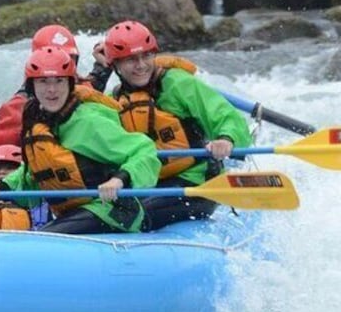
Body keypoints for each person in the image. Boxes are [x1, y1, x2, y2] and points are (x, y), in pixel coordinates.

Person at [0, 46, 160, 234]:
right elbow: (36, 172)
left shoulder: (88, 122)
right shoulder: (37, 123)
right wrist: (1, 189)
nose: (52, 90)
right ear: (32, 86)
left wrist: (119, 179)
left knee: (45, 238)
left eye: (59, 81)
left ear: (70, 84)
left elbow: (144, 150)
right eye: (43, 82)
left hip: (113, 210)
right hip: (74, 212)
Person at [0, 24, 109, 224]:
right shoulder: (18, 110)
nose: (59, 67)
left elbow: (88, 90)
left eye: (68, 61)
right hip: (38, 193)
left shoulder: (77, 91)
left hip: (81, 188)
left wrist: (103, 68)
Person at [102, 20, 252, 229]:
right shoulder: (114, 99)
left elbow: (227, 116)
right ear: (115, 65)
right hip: (149, 183)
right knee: (104, 209)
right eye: (131, 60)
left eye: (146, 55)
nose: (141, 65)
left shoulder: (179, 84)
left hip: (196, 182)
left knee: (129, 214)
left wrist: (225, 139)